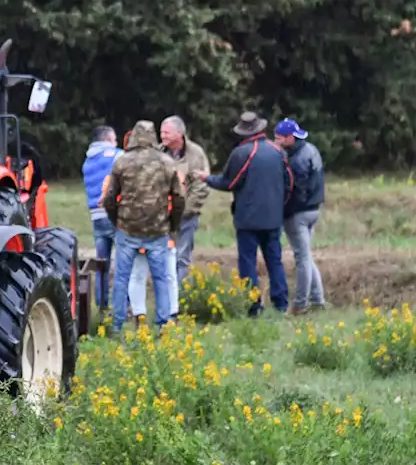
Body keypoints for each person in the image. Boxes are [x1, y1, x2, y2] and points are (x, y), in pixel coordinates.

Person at [195, 111, 292, 316]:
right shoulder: (278, 151)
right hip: (274, 218)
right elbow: (289, 184)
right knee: (275, 261)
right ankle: (281, 304)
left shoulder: (242, 153)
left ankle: (253, 306)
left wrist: (206, 178)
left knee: (248, 263)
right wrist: (278, 205)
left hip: (248, 220)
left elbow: (229, 182)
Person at [103, 120, 184, 334]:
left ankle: (117, 326)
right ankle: (163, 324)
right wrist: (171, 224)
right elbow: (179, 197)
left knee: (121, 278)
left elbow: (110, 198)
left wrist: (116, 221)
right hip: (157, 231)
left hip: (127, 230)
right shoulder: (167, 162)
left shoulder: (122, 162)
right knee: (161, 278)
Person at [274, 118, 327, 314]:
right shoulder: (311, 149)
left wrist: (282, 212)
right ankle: (318, 300)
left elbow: (296, 192)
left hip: (299, 214)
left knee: (302, 258)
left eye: (279, 138)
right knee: (307, 256)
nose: (276, 141)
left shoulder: (295, 160)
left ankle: (300, 304)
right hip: (314, 209)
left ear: (290, 138)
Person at [159, 115, 209, 284]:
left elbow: (201, 186)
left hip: (187, 217)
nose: (163, 136)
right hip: (163, 219)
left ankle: (181, 299)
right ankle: (166, 299)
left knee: (182, 257)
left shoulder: (196, 154)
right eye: (161, 132)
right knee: (164, 258)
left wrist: (184, 211)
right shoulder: (158, 154)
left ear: (179, 134)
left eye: (166, 132)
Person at [82, 125, 122, 311]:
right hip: (114, 214)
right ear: (107, 140)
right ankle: (122, 305)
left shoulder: (88, 161)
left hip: (95, 217)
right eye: (114, 140)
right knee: (123, 262)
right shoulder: (116, 156)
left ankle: (101, 305)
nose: (116, 143)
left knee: (101, 264)